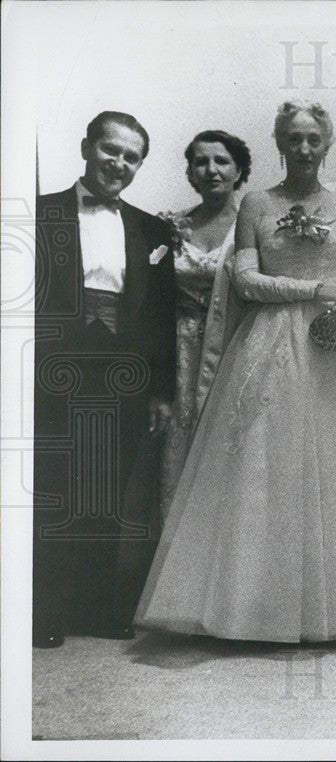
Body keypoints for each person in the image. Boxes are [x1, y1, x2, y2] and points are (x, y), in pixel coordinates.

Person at [134, 101, 336, 642]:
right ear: (280, 144)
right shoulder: (256, 202)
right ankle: (253, 607)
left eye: (312, 141)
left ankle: (329, 609)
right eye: (293, 140)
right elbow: (247, 279)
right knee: (264, 467)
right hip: (271, 342)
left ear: (327, 147)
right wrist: (311, 291)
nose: (303, 149)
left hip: (334, 343)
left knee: (333, 469)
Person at [33, 111, 176, 648]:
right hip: (53, 367)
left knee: (107, 487)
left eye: (131, 157)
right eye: (110, 150)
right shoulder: (40, 213)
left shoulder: (151, 228)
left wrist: (160, 390)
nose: (119, 163)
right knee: (52, 486)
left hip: (124, 370)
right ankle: (42, 612)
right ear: (87, 147)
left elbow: (160, 315)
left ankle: (92, 609)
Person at [158, 130, 251, 512]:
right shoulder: (171, 226)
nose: (211, 170)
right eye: (201, 162)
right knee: (177, 440)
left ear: (239, 170)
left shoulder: (251, 224)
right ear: (191, 173)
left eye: (222, 161)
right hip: (179, 351)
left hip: (232, 345)